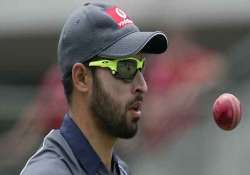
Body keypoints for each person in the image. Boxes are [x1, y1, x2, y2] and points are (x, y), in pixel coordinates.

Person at [20, 2, 168, 175]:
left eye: (141, 68)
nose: (142, 86)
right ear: (82, 78)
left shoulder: (119, 169)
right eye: (127, 68)